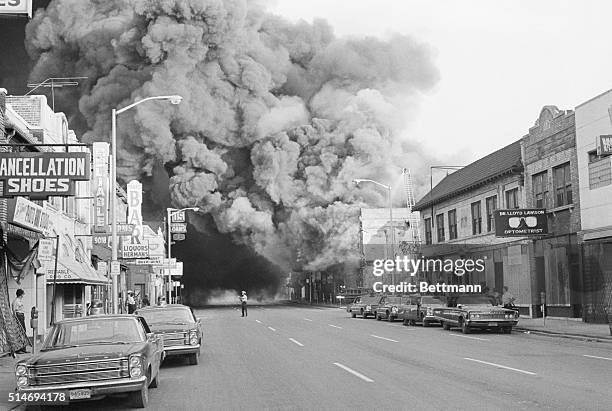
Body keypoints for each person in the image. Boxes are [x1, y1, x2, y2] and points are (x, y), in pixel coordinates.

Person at [11, 289, 27, 354]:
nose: (23, 295)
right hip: (18, 316)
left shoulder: (19, 301)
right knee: (20, 332)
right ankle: (19, 349)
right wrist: (16, 318)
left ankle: (23, 348)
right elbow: (14, 310)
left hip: (21, 315)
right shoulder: (16, 301)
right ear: (20, 294)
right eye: (22, 294)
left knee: (23, 331)